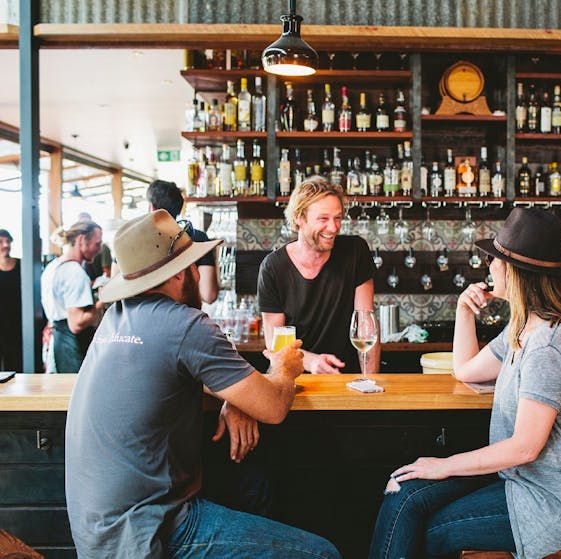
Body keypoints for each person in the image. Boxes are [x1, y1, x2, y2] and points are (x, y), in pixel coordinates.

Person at [65, 209, 340, 559]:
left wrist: (234, 397)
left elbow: (171, 372)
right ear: (182, 272)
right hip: (151, 530)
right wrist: (285, 368)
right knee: (322, 554)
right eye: (195, 263)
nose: (198, 271)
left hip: (95, 529)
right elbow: (272, 408)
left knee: (253, 489)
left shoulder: (114, 318)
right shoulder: (186, 324)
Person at [368, 208, 561, 559]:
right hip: (516, 481)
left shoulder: (548, 343)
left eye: (493, 259)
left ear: (514, 271)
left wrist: (443, 465)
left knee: (430, 529)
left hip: (546, 504)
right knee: (404, 493)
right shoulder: (523, 328)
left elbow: (525, 448)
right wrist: (463, 311)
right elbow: (466, 369)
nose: (487, 266)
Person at [257, 176, 379, 374]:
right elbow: (275, 343)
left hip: (346, 379)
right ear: (299, 217)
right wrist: (311, 361)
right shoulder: (273, 267)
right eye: (323, 219)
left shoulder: (355, 251)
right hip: (294, 381)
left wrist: (370, 382)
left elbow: (366, 326)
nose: (333, 228)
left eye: (338, 218)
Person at [40, 220, 104, 373]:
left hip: (55, 343)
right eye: (97, 244)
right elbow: (76, 323)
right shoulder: (74, 272)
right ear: (82, 240)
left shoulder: (53, 266)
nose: (100, 249)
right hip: (71, 347)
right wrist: (104, 300)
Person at [147, 179, 219, 304]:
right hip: (187, 316)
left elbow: (117, 289)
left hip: (144, 317)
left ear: (152, 207)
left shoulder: (135, 242)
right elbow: (209, 295)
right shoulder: (197, 237)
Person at [0, 229, 21, 371]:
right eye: (1, 242)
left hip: (17, 323)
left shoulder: (22, 265)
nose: (6, 245)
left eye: (8, 241)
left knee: (16, 362)